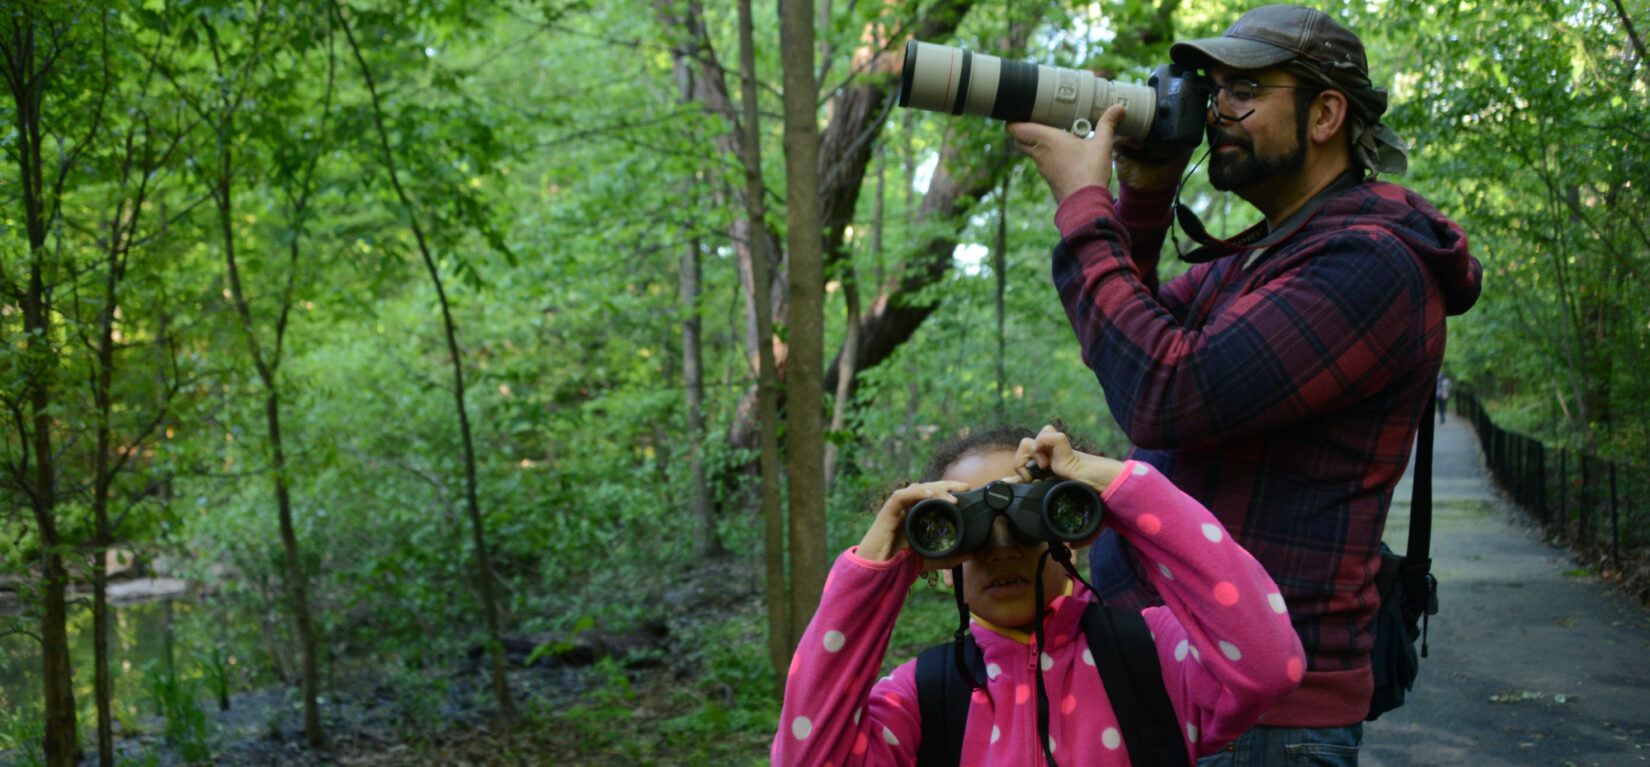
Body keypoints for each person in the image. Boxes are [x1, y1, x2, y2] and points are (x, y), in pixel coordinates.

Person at [1005, 5, 1484, 763]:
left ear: (1326, 113)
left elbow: (1162, 395)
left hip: (1264, 714)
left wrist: (1081, 204)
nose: (1214, 112)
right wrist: (1142, 194)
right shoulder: (1265, 254)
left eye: (1244, 92)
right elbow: (1130, 347)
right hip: (1179, 680)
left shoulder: (1371, 266)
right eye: (1213, 89)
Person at [771, 425, 1305, 766]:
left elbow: (1268, 663)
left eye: (1028, 519)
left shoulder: (1154, 652)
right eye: (971, 533)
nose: (1001, 549)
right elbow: (807, 758)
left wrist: (1124, 490)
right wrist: (874, 573)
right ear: (939, 557)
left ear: (1070, 525)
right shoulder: (922, 696)